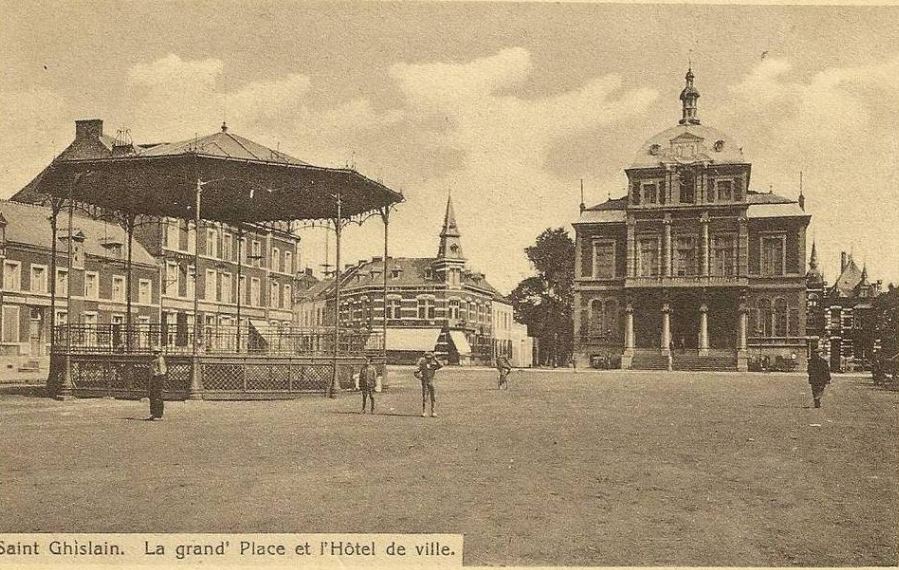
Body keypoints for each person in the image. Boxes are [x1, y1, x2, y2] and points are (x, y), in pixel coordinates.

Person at [415, 351, 443, 417]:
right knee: (425, 397)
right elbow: (416, 372)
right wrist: (420, 377)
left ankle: (433, 411)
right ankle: (424, 411)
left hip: (432, 382)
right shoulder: (423, 365)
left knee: (433, 397)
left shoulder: (433, 365)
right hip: (425, 383)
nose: (429, 360)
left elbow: (441, 365)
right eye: (427, 358)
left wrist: (435, 358)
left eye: (430, 358)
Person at [148, 346, 167, 421]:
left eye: (157, 352)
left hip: (158, 378)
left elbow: (162, 371)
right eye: (154, 352)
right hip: (154, 378)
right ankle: (153, 413)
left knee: (157, 396)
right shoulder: (154, 359)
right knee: (152, 396)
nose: (155, 354)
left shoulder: (160, 359)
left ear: (160, 353)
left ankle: (158, 414)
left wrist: (158, 375)